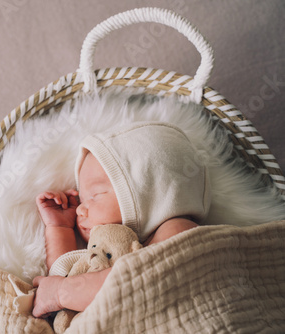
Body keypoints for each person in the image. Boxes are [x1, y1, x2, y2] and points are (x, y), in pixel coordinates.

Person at [32, 122, 211, 318]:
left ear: (148, 193)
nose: (81, 209)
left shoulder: (178, 229)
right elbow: (67, 275)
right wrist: (60, 227)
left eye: (95, 195)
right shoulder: (107, 249)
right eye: (81, 199)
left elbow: (137, 282)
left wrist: (60, 292)